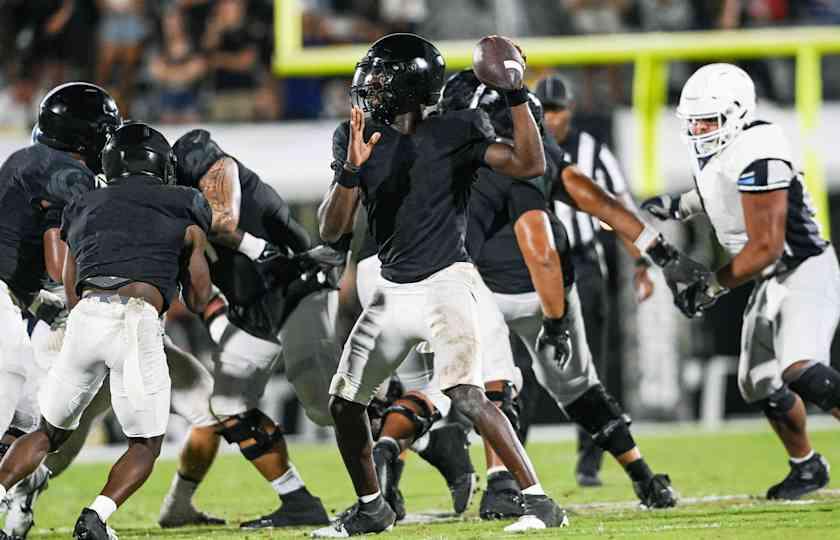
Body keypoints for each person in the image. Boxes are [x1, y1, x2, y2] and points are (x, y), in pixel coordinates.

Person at [368, 71, 683, 521]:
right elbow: (558, 234)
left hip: (457, 284)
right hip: (537, 291)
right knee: (575, 387)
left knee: (441, 389)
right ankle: (642, 476)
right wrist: (655, 252)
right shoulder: (521, 156)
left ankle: (398, 465)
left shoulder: (440, 150)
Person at [315, 32, 566, 537]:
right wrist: (349, 172)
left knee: (468, 395)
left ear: (409, 85)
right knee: (344, 403)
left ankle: (540, 502)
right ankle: (371, 508)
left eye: (381, 74)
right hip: (390, 290)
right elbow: (331, 229)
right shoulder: (357, 134)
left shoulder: (455, 129)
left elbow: (529, 164)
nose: (368, 83)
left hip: (445, 284)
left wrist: (516, 93)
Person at [0, 122, 213, 540]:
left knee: (47, 432)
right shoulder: (186, 203)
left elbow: (69, 279)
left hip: (84, 319)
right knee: (145, 444)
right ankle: (96, 515)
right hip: (135, 321)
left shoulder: (84, 204)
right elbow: (200, 296)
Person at [642, 63, 840, 500]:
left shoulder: (761, 151)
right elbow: (715, 190)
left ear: (738, 114)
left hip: (802, 268)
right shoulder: (724, 149)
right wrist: (678, 205)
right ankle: (807, 466)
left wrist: (712, 285)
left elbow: (766, 247)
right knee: (757, 383)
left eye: (708, 119)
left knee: (800, 367)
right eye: (692, 119)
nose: (697, 128)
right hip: (770, 278)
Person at [157, 128, 342, 529]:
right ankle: (298, 501)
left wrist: (246, 246)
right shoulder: (190, 206)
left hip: (297, 290)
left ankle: (423, 446)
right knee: (227, 405)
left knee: (331, 407)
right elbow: (199, 293)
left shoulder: (215, 166)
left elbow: (225, 220)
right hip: (257, 309)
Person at [535, 73, 653, 486]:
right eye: (544, 110)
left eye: (557, 110)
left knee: (591, 367)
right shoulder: (517, 151)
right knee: (522, 367)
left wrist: (641, 263)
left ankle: (590, 460)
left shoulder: (591, 151)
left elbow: (619, 206)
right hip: (531, 269)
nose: (550, 119)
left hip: (583, 263)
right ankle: (512, 470)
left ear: (570, 112)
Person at [0, 82, 120, 458]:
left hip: (11, 297)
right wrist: (86, 312)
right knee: (12, 381)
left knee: (30, 416)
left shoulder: (30, 159)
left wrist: (37, 302)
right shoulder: (69, 174)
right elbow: (58, 261)